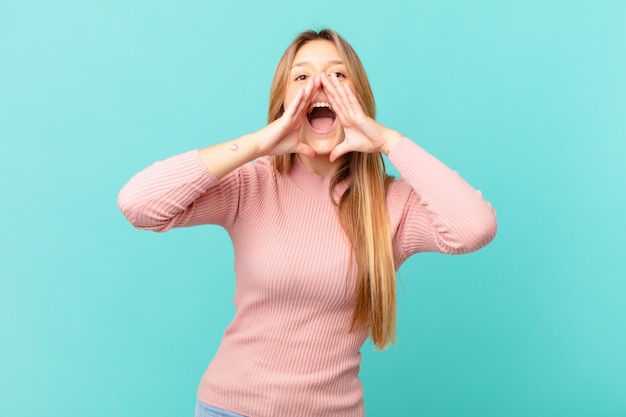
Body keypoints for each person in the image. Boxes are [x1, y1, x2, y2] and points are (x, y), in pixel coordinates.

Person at [118, 29, 497, 417]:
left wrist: (388, 141)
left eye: (337, 75)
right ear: (284, 101)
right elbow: (139, 204)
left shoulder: (390, 204)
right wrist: (257, 143)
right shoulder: (252, 182)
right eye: (301, 77)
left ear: (358, 99)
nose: (318, 85)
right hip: (228, 408)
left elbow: (474, 227)